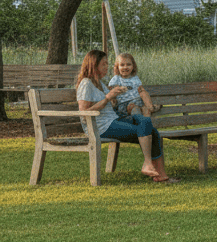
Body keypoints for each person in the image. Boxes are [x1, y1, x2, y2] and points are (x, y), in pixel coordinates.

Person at [75, 48, 179, 183]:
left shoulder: (100, 84)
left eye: (107, 64)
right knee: (147, 131)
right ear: (94, 65)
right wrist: (107, 98)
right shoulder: (86, 84)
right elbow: (84, 114)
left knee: (148, 126)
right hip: (100, 127)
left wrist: (116, 99)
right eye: (104, 64)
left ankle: (159, 174)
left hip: (113, 119)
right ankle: (149, 165)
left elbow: (109, 104)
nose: (107, 67)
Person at [108, 52, 160, 118]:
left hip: (138, 102)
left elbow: (141, 90)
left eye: (128, 64)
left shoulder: (135, 78)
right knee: (135, 108)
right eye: (122, 65)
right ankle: (139, 124)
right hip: (125, 104)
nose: (125, 67)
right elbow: (111, 94)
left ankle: (150, 109)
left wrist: (143, 93)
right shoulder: (116, 79)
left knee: (144, 103)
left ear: (133, 66)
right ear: (117, 67)